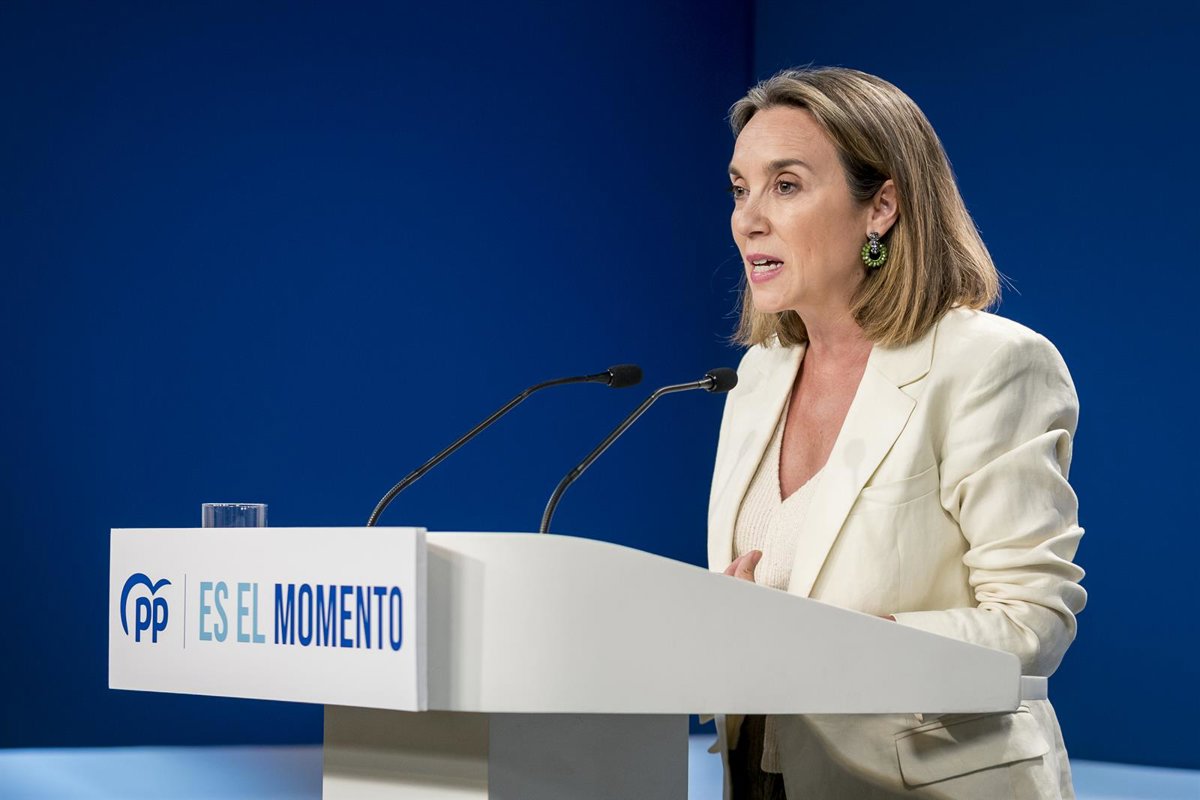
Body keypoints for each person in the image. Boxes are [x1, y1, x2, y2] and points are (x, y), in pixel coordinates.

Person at [708, 67, 1086, 799]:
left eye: (785, 185)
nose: (748, 219)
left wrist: (844, 646)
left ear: (880, 206)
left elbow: (1032, 622)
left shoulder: (988, 364)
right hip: (757, 774)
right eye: (739, 188)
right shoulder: (758, 375)